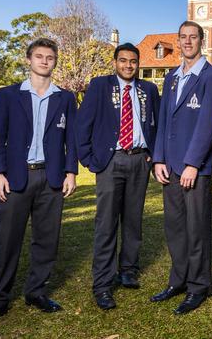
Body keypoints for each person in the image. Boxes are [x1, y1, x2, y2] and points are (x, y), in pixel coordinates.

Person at [0, 38, 77, 331]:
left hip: (51, 178)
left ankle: (36, 292)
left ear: (55, 62)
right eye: (39, 56)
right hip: (16, 178)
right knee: (7, 242)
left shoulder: (65, 98)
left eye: (50, 57)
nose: (45, 61)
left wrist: (71, 172)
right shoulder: (8, 95)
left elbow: (72, 140)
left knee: (46, 240)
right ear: (28, 60)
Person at [76, 43, 160, 310]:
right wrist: (90, 160)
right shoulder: (100, 86)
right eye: (123, 61)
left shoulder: (149, 90)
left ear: (138, 64)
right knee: (106, 223)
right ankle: (102, 283)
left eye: (133, 61)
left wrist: (152, 153)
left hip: (139, 160)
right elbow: (82, 125)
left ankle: (128, 270)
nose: (128, 65)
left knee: (133, 220)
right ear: (115, 62)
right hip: (110, 161)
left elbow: (157, 124)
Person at [150, 20, 212, 315]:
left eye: (193, 37)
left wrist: (193, 163)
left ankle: (198, 286)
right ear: (178, 41)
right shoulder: (171, 77)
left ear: (201, 41)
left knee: (197, 229)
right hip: (169, 166)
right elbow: (164, 121)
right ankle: (177, 280)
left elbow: (209, 124)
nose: (188, 42)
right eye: (183, 37)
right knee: (175, 227)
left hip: (194, 168)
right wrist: (158, 159)